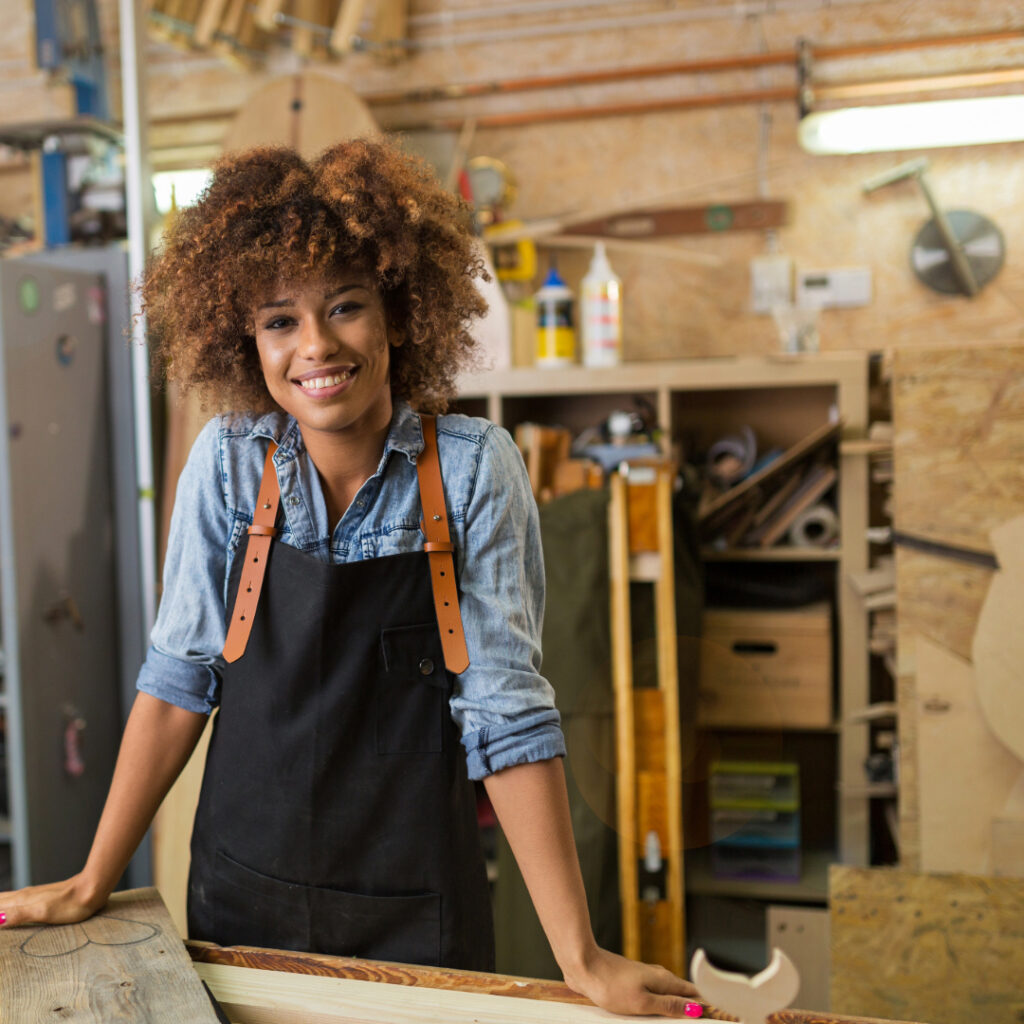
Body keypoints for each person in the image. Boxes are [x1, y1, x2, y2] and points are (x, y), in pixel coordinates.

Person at [0, 139, 696, 1017]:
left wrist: (580, 957)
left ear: (399, 313)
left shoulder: (474, 471)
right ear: (246, 340)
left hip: (417, 920)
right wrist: (92, 880)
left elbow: (507, 715)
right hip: (241, 910)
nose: (315, 346)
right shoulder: (227, 464)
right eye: (279, 321)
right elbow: (178, 683)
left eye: (345, 306)